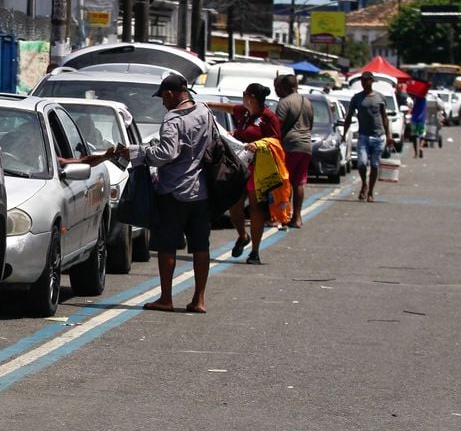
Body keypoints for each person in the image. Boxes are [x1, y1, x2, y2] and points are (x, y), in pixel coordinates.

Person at [113, 73, 213, 313]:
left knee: (167, 246)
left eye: (163, 98)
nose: (163, 103)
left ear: (170, 94)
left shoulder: (172, 119)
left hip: (174, 191)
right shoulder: (205, 112)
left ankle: (166, 298)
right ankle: (199, 299)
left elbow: (165, 154)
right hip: (201, 190)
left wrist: (141, 152)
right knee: (201, 246)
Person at [205, 83, 280, 264]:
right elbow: (231, 108)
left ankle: (255, 251)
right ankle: (242, 236)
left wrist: (259, 144)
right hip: (239, 166)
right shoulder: (245, 112)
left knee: (256, 208)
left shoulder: (268, 117)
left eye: (245, 94)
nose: (243, 97)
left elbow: (277, 140)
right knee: (234, 205)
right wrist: (207, 104)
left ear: (252, 97)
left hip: (257, 167)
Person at [340, 71, 393, 202]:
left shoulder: (380, 98)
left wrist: (388, 135)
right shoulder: (357, 98)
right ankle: (364, 183)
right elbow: (348, 117)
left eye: (367, 80)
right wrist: (344, 133)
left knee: (375, 165)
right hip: (363, 136)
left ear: (372, 81)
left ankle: (370, 192)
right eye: (362, 81)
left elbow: (384, 117)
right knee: (362, 163)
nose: (364, 83)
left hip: (378, 136)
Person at [274, 73, 313, 228]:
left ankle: (282, 216)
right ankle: (297, 218)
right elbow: (310, 125)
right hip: (306, 146)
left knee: (284, 182)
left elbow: (278, 127)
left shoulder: (284, 102)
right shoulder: (308, 102)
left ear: (286, 87)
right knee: (299, 183)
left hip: (290, 145)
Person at [408, 91, 428, 158]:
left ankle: (416, 153)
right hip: (421, 120)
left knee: (414, 136)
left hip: (414, 120)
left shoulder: (415, 100)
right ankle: (420, 147)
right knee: (422, 136)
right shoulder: (424, 100)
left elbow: (413, 110)